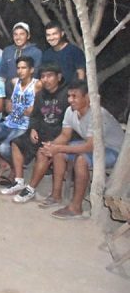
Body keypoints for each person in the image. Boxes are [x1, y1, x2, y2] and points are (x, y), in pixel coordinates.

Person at [39, 80, 124, 219]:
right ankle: (56, 195)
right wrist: (51, 146)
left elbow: (89, 146)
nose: (70, 100)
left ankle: (76, 207)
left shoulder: (98, 115)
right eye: (69, 96)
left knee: (81, 160)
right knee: (59, 153)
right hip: (94, 145)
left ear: (87, 97)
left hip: (114, 151)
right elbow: (65, 135)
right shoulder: (70, 111)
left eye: (74, 96)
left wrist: (58, 147)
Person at [0, 63, 69, 203]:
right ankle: (19, 181)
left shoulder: (67, 95)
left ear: (59, 77)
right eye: (43, 76)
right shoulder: (40, 95)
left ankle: (30, 189)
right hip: (41, 132)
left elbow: (69, 126)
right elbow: (35, 116)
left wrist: (55, 141)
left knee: (42, 152)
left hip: (59, 136)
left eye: (49, 76)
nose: (45, 79)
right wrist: (33, 129)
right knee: (16, 143)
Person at [0, 56, 42, 181]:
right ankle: (3, 164)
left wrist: (23, 109)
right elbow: (9, 105)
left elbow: (34, 110)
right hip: (9, 122)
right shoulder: (14, 82)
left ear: (32, 70)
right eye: (18, 68)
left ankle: (16, 169)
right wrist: (9, 106)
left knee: (4, 148)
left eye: (24, 68)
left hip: (24, 125)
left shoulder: (37, 84)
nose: (20, 71)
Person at [0, 22, 42, 95]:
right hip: (8, 94)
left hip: (28, 94)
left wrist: (19, 84)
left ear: (28, 36)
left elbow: (36, 74)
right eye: (15, 34)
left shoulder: (36, 52)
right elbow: (2, 75)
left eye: (22, 34)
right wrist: (0, 94)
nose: (18, 37)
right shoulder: (7, 51)